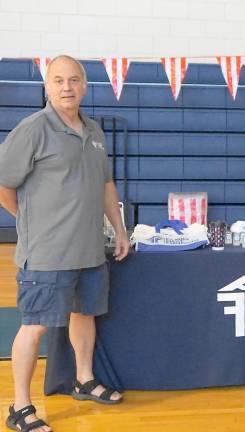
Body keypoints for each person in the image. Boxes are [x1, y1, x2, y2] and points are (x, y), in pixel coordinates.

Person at [0, 55, 130, 432]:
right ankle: (19, 407)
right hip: (47, 252)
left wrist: (119, 230)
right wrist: (27, 221)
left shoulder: (93, 131)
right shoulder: (33, 129)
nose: (67, 87)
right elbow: (4, 184)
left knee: (85, 314)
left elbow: (106, 185)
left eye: (74, 80)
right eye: (58, 81)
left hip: (89, 249)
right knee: (35, 325)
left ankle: (84, 379)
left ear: (85, 86)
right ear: (48, 86)